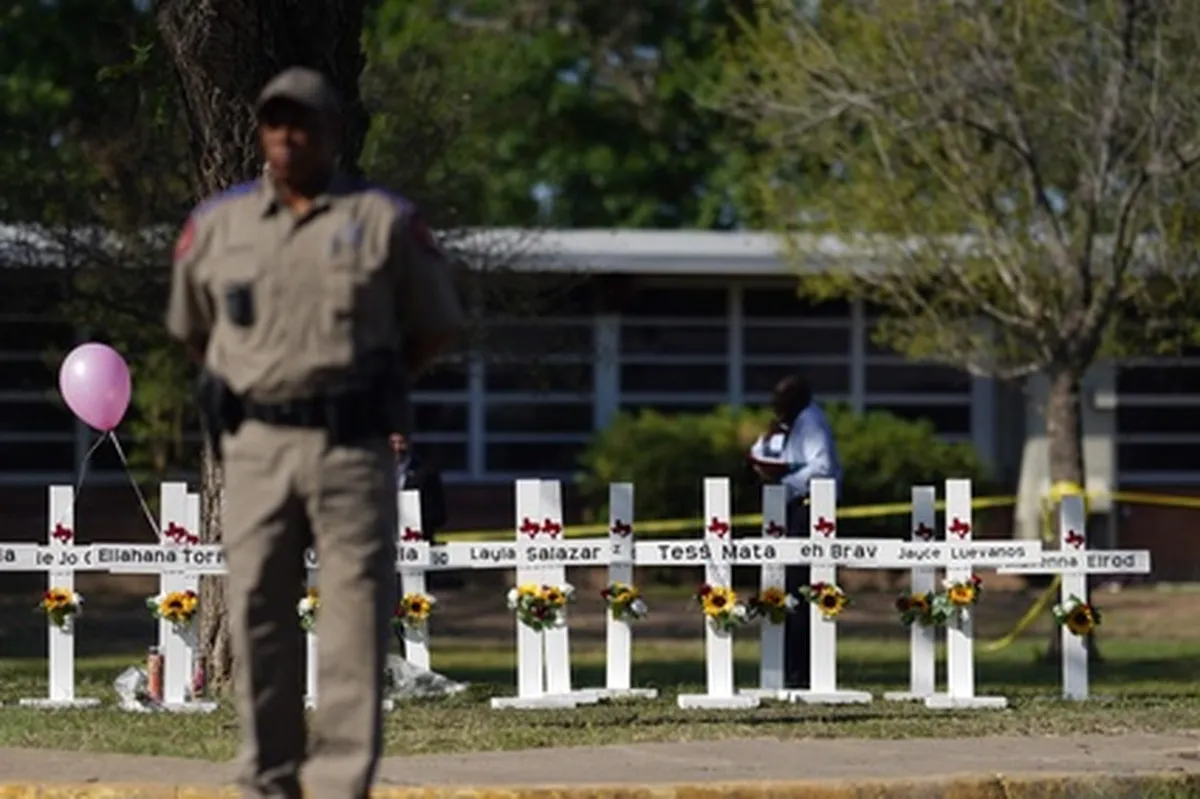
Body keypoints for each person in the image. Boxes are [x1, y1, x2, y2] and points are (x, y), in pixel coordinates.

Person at [164, 66, 464, 799]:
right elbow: (192, 328)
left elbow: (433, 327)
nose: (287, 135)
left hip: (351, 448)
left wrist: (367, 384)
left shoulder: (384, 222)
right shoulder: (218, 225)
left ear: (334, 132)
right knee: (258, 613)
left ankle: (336, 787)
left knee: (354, 624)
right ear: (262, 132)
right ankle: (267, 780)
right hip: (257, 449)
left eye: (302, 122)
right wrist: (255, 379)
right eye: (274, 121)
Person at [751, 373, 843, 689]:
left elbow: (823, 466)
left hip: (809, 508)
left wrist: (783, 484)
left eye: (781, 400)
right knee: (785, 586)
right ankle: (791, 668)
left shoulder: (811, 422)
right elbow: (765, 454)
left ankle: (802, 671)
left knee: (802, 588)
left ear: (797, 398)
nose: (775, 406)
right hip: (789, 507)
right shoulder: (791, 424)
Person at [389, 432, 446, 541]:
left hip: (418, 540)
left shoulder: (425, 472)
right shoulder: (376, 471)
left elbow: (438, 512)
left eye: (401, 443)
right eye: (392, 443)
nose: (397, 448)